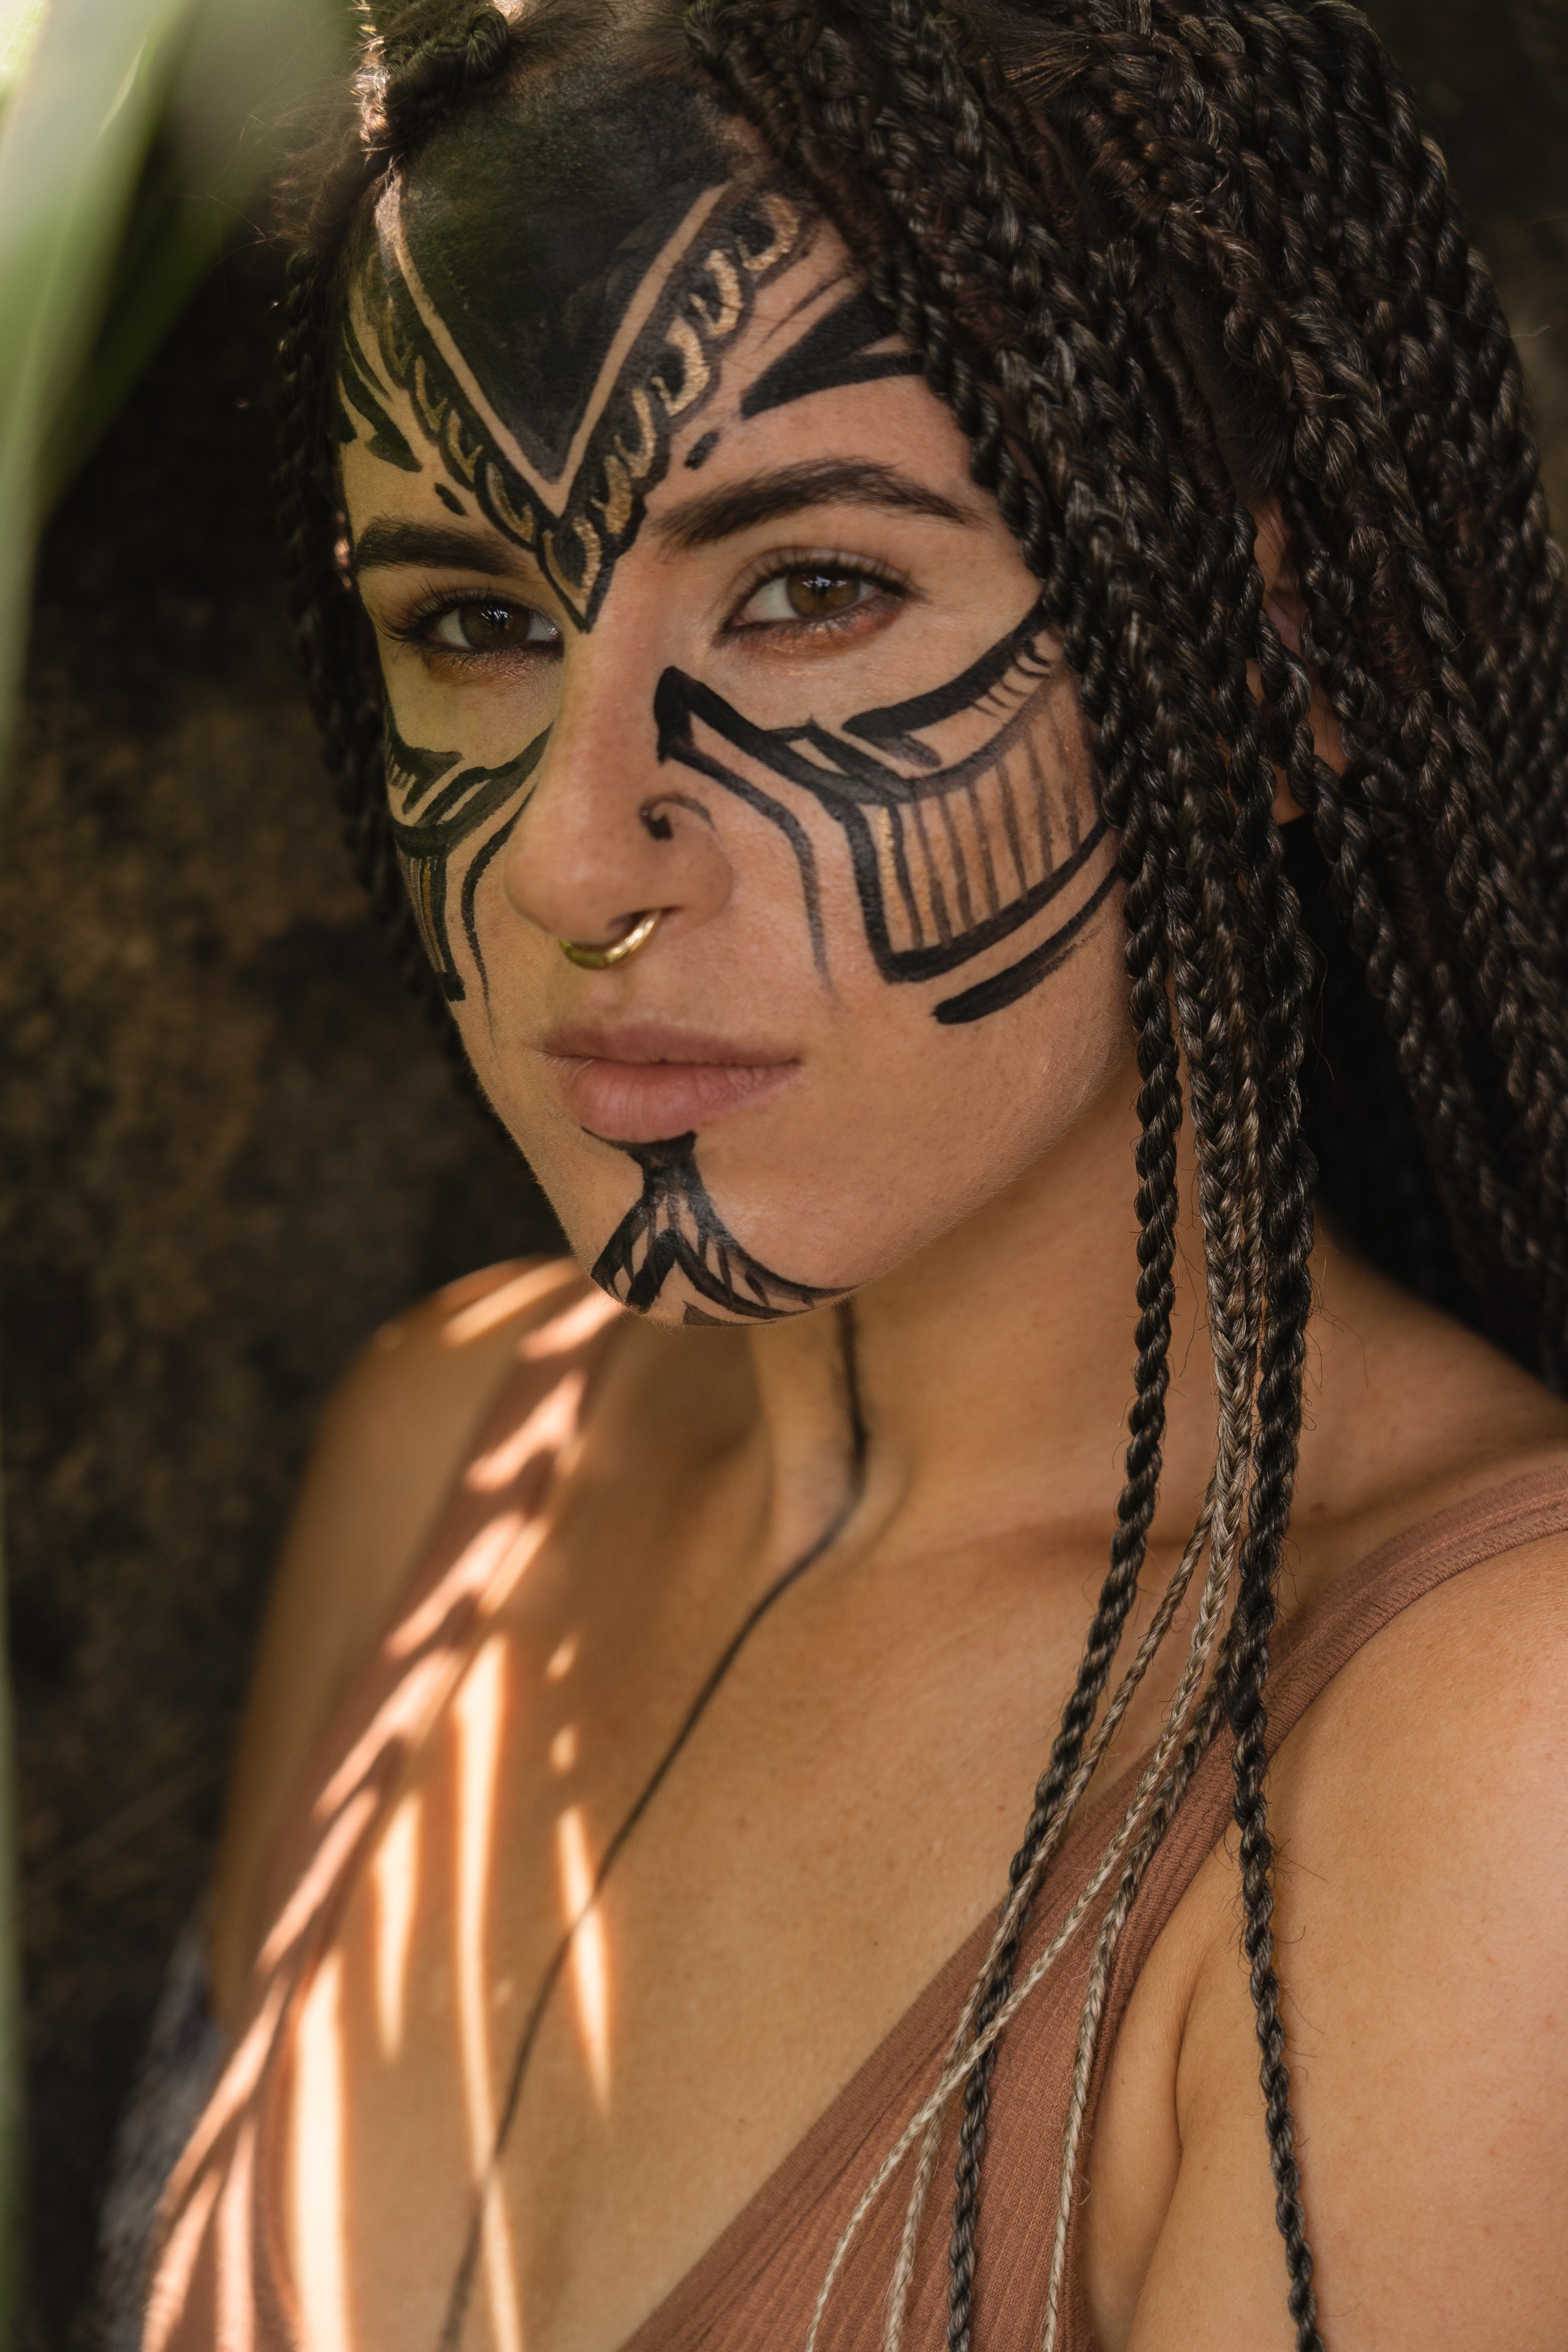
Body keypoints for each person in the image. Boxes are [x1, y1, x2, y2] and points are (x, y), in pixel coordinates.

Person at [116, 0, 1568, 2344]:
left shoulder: (1493, 1758)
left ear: (1281, 652)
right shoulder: (449, 1455)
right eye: (471, 626)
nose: (581, 858)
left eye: (808, 592)